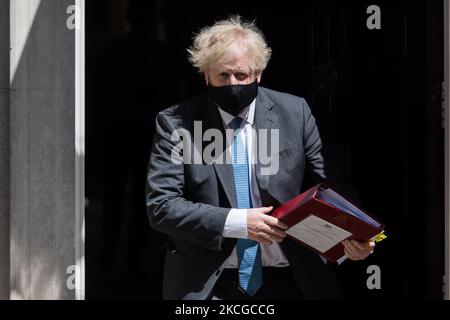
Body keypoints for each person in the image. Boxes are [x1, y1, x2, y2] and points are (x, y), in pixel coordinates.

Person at [145, 15, 375, 300]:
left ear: (258, 73)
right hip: (209, 283)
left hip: (289, 278)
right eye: (222, 76)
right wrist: (239, 223)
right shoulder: (176, 123)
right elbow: (162, 206)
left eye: (241, 75)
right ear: (206, 75)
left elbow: (330, 184)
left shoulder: (294, 114)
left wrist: (355, 235)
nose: (233, 84)